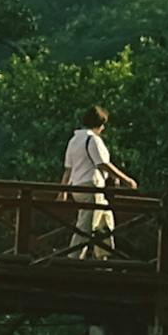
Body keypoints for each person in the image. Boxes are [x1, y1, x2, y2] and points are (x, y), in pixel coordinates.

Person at [65, 104, 132, 257]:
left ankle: (103, 257)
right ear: (100, 124)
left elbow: (68, 170)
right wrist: (127, 179)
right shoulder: (93, 140)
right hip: (91, 188)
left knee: (105, 222)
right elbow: (103, 163)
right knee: (86, 227)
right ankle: (72, 260)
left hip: (78, 187)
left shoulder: (74, 141)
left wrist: (63, 191)